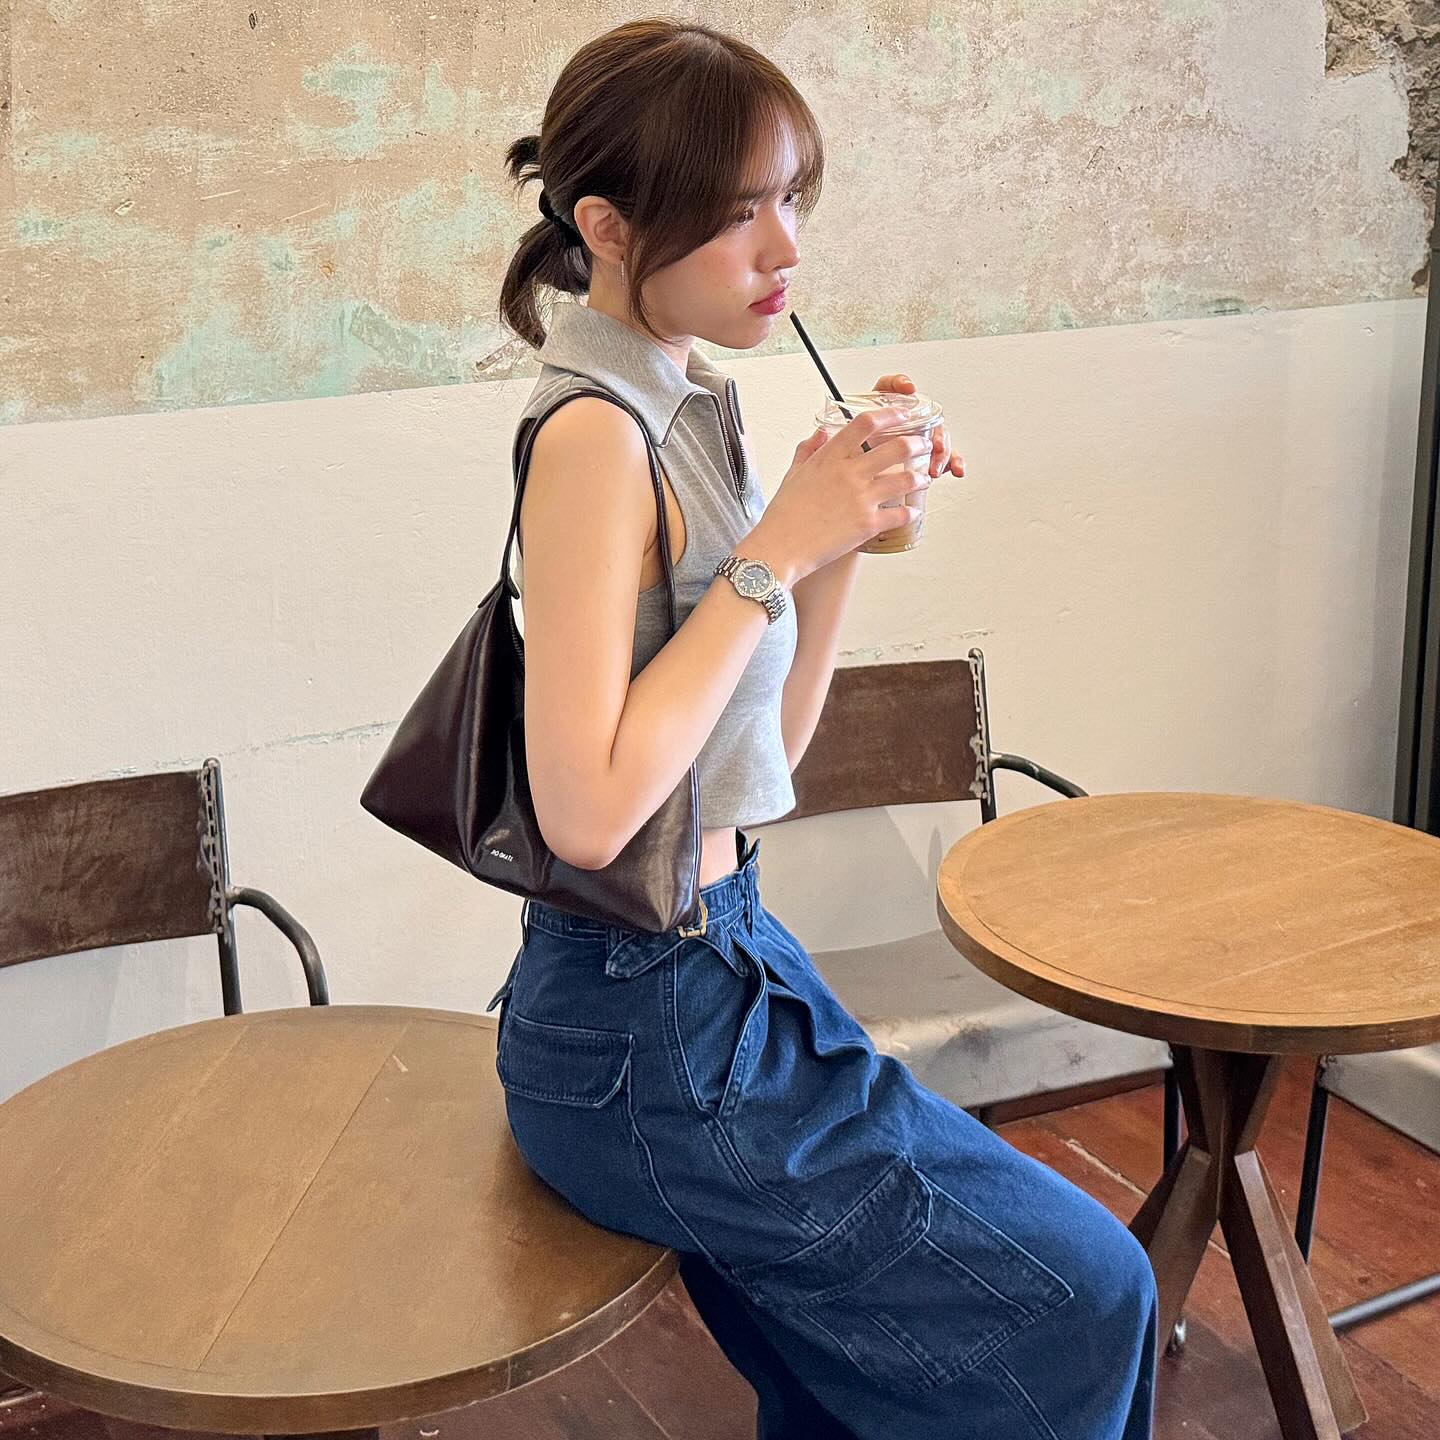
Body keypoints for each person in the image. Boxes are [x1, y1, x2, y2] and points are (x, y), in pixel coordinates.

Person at [484, 18, 1158, 1439]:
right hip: (645, 1026)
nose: (784, 247)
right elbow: (588, 817)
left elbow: (760, 767)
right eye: (739, 213)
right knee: (1089, 1292)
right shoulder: (596, 434)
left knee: (846, 1375)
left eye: (794, 196)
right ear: (607, 227)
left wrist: (842, 533)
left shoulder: (685, 406)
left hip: (724, 969)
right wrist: (779, 548)